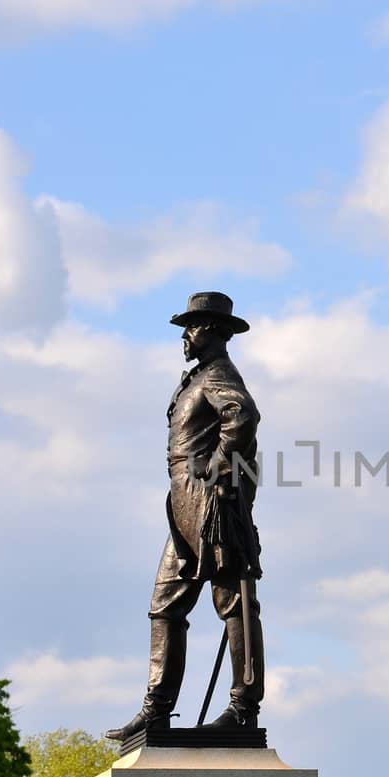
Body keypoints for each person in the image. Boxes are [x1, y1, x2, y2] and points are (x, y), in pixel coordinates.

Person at [108, 291, 264, 744]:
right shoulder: (196, 378)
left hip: (209, 502)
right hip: (183, 504)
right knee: (165, 606)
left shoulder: (218, 376)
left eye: (192, 327)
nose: (184, 335)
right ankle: (156, 709)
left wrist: (216, 465)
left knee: (233, 602)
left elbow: (243, 415)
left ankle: (242, 707)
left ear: (214, 332)